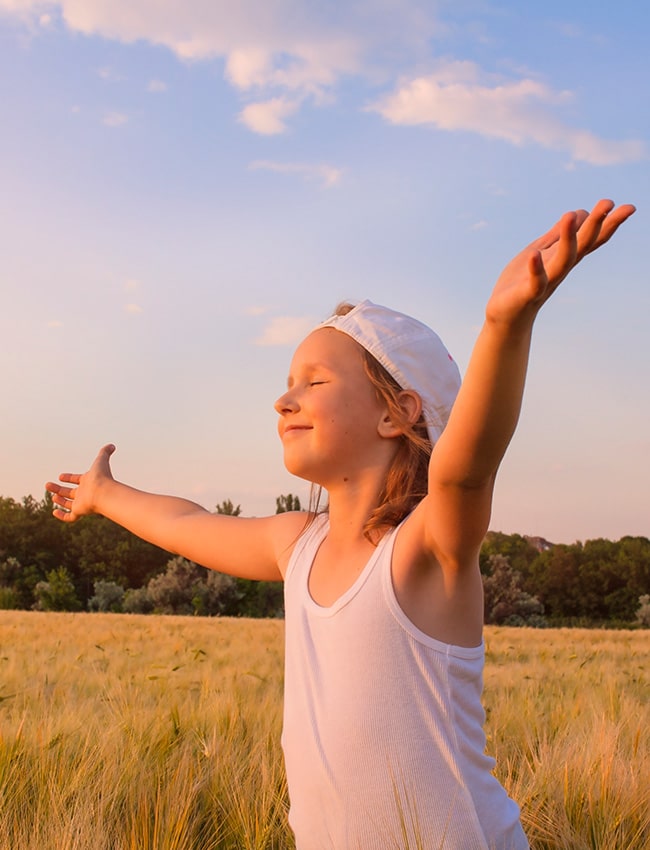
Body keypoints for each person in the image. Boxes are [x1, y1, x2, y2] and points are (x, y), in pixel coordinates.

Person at [46, 199, 635, 849]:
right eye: (287, 381)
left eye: (315, 381)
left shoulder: (420, 553)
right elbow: (188, 523)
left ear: (397, 414)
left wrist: (505, 322)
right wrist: (106, 493)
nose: (283, 397)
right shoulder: (297, 544)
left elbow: (464, 472)